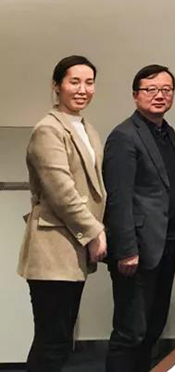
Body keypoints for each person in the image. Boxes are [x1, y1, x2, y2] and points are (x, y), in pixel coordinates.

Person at [18, 56, 107, 371]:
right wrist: (94, 232)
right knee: (51, 341)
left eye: (89, 82)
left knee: (59, 338)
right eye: (74, 82)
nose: (83, 89)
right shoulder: (48, 129)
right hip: (52, 250)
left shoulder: (85, 128)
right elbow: (61, 192)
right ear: (57, 86)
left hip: (71, 248)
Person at [104, 64, 175, 372]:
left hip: (166, 242)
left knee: (153, 327)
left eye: (166, 90)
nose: (159, 95)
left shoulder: (166, 131)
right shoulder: (124, 136)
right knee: (131, 332)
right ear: (135, 95)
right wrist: (126, 249)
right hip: (138, 249)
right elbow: (118, 198)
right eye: (150, 89)